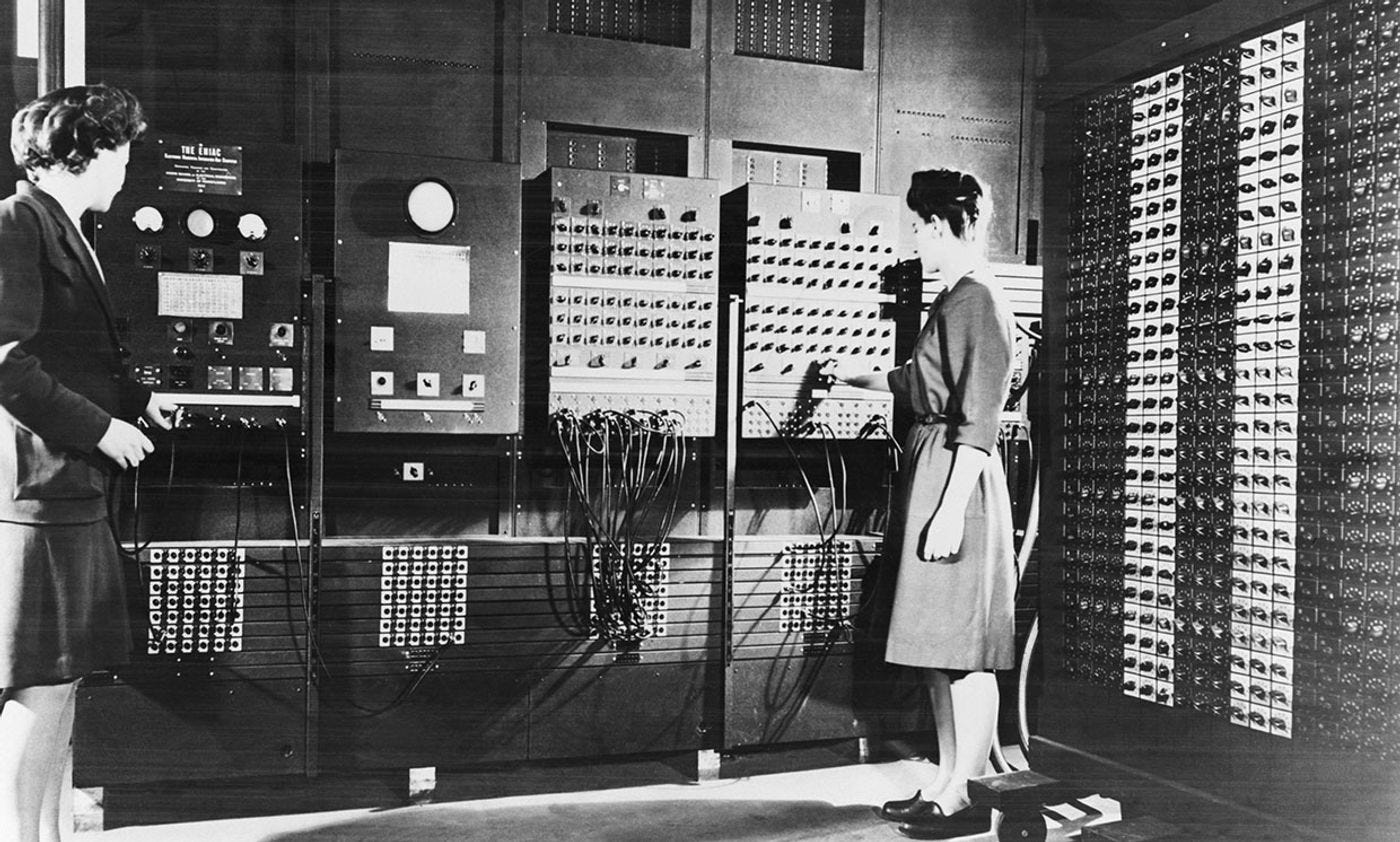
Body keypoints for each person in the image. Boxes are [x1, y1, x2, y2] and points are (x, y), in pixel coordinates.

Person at [0, 84, 179, 842]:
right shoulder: (18, 222)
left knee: (61, 683)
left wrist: (136, 400)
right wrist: (104, 430)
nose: (127, 168)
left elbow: (68, 351)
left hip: (71, 493)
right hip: (40, 492)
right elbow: (7, 363)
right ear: (85, 151)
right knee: (35, 691)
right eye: (122, 150)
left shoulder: (65, 226)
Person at [823, 169, 1015, 839]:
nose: (912, 242)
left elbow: (979, 421)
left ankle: (967, 794)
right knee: (937, 648)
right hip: (932, 470)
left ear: (941, 226)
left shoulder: (979, 300)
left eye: (917, 228)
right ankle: (944, 782)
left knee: (964, 653)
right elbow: (917, 382)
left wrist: (948, 510)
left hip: (958, 482)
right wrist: (854, 374)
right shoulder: (955, 298)